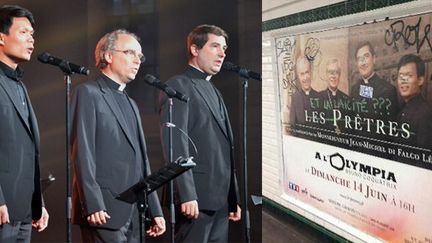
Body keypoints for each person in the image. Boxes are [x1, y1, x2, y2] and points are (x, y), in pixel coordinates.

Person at [71, 29, 165, 242]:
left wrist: (154, 208)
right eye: (130, 53)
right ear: (108, 55)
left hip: (134, 212)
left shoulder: (130, 103)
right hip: (103, 208)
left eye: (140, 56)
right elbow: (82, 153)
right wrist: (92, 203)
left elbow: (143, 162)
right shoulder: (88, 93)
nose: (137, 61)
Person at [158, 24, 241, 242]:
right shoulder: (178, 85)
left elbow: (224, 150)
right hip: (195, 199)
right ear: (195, 50)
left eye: (224, 48)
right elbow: (175, 144)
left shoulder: (213, 89)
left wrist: (233, 198)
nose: (222, 53)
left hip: (220, 200)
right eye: (215, 46)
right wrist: (187, 194)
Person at [0, 5, 49, 242]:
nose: (31, 39)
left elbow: (29, 152)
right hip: (2, 207)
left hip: (24, 209)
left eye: (32, 34)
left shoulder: (19, 85)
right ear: (1, 38)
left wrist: (38, 201)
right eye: (23, 33)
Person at [351, 41, 398, 121]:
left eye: (366, 56)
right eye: (359, 59)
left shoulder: (388, 90)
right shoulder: (354, 90)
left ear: (374, 59)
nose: (363, 63)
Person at [395, 54, 432, 150]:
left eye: (408, 76)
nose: (403, 81)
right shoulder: (401, 109)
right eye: (401, 76)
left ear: (420, 80)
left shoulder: (425, 114)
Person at [318, 58, 351, 132]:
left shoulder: (347, 99)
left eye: (336, 72)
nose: (333, 76)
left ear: (339, 75)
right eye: (330, 72)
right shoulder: (319, 97)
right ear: (326, 75)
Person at [289, 56, 319, 133]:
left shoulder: (319, 96)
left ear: (311, 72)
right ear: (298, 76)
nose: (305, 77)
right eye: (302, 74)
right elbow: (292, 127)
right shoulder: (295, 98)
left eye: (307, 72)